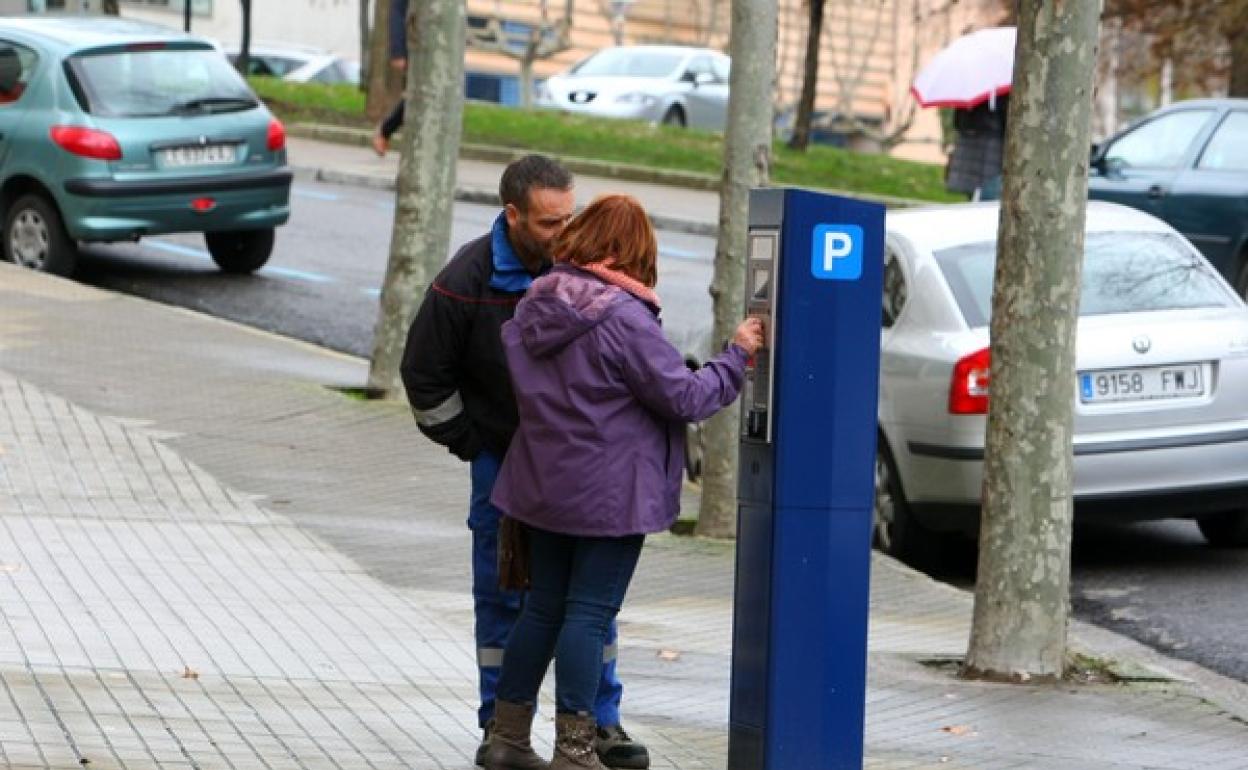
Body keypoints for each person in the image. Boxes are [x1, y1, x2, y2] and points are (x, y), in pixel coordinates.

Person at [483, 195, 765, 770]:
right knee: (588, 614)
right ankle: (576, 750)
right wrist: (736, 356)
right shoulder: (623, 318)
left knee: (542, 611)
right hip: (607, 496)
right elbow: (686, 397)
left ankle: (506, 739)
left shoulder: (536, 302)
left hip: (542, 486)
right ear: (624, 253)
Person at [400, 157, 651, 770]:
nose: (562, 234)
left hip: (576, 472)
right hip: (506, 468)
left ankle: (600, 724)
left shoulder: (582, 269)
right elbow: (424, 378)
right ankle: (502, 728)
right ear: (512, 215)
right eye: (547, 223)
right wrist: (478, 446)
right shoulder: (468, 278)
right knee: (508, 598)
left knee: (588, 604)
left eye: (570, 217)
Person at [945, 94, 1009, 201]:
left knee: (974, 193)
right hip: (990, 150)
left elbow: (957, 122)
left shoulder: (969, 92)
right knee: (988, 194)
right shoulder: (998, 95)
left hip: (968, 147)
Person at [372, 0, 408, 156]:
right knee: (416, 96)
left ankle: (385, 131)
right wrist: (398, 51)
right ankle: (385, 130)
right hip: (418, 46)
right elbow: (397, 12)